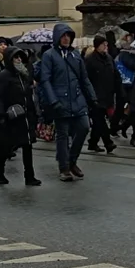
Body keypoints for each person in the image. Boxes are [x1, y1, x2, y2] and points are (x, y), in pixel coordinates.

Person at [39, 22, 97, 182]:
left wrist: (92, 97)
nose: (66, 39)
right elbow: (45, 80)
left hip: (77, 99)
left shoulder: (75, 55)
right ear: (57, 37)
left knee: (84, 127)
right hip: (60, 100)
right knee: (62, 135)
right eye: (63, 36)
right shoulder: (49, 55)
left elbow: (84, 78)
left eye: (68, 36)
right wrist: (53, 100)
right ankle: (64, 167)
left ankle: (72, 160)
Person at [0, 48, 41, 186]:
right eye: (15, 58)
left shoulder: (24, 75)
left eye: (20, 57)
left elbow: (29, 96)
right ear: (9, 60)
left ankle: (29, 176)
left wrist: (34, 114)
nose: (19, 60)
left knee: (27, 146)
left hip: (24, 117)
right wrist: (1, 115)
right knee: (5, 148)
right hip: (10, 117)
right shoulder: (4, 76)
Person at [85, 35, 119, 154]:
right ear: (97, 46)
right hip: (95, 96)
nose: (105, 47)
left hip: (107, 94)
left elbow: (116, 75)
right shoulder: (90, 60)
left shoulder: (109, 58)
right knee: (100, 120)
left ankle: (93, 143)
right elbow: (86, 79)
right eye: (103, 44)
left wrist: (119, 90)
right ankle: (108, 143)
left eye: (106, 44)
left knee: (98, 121)